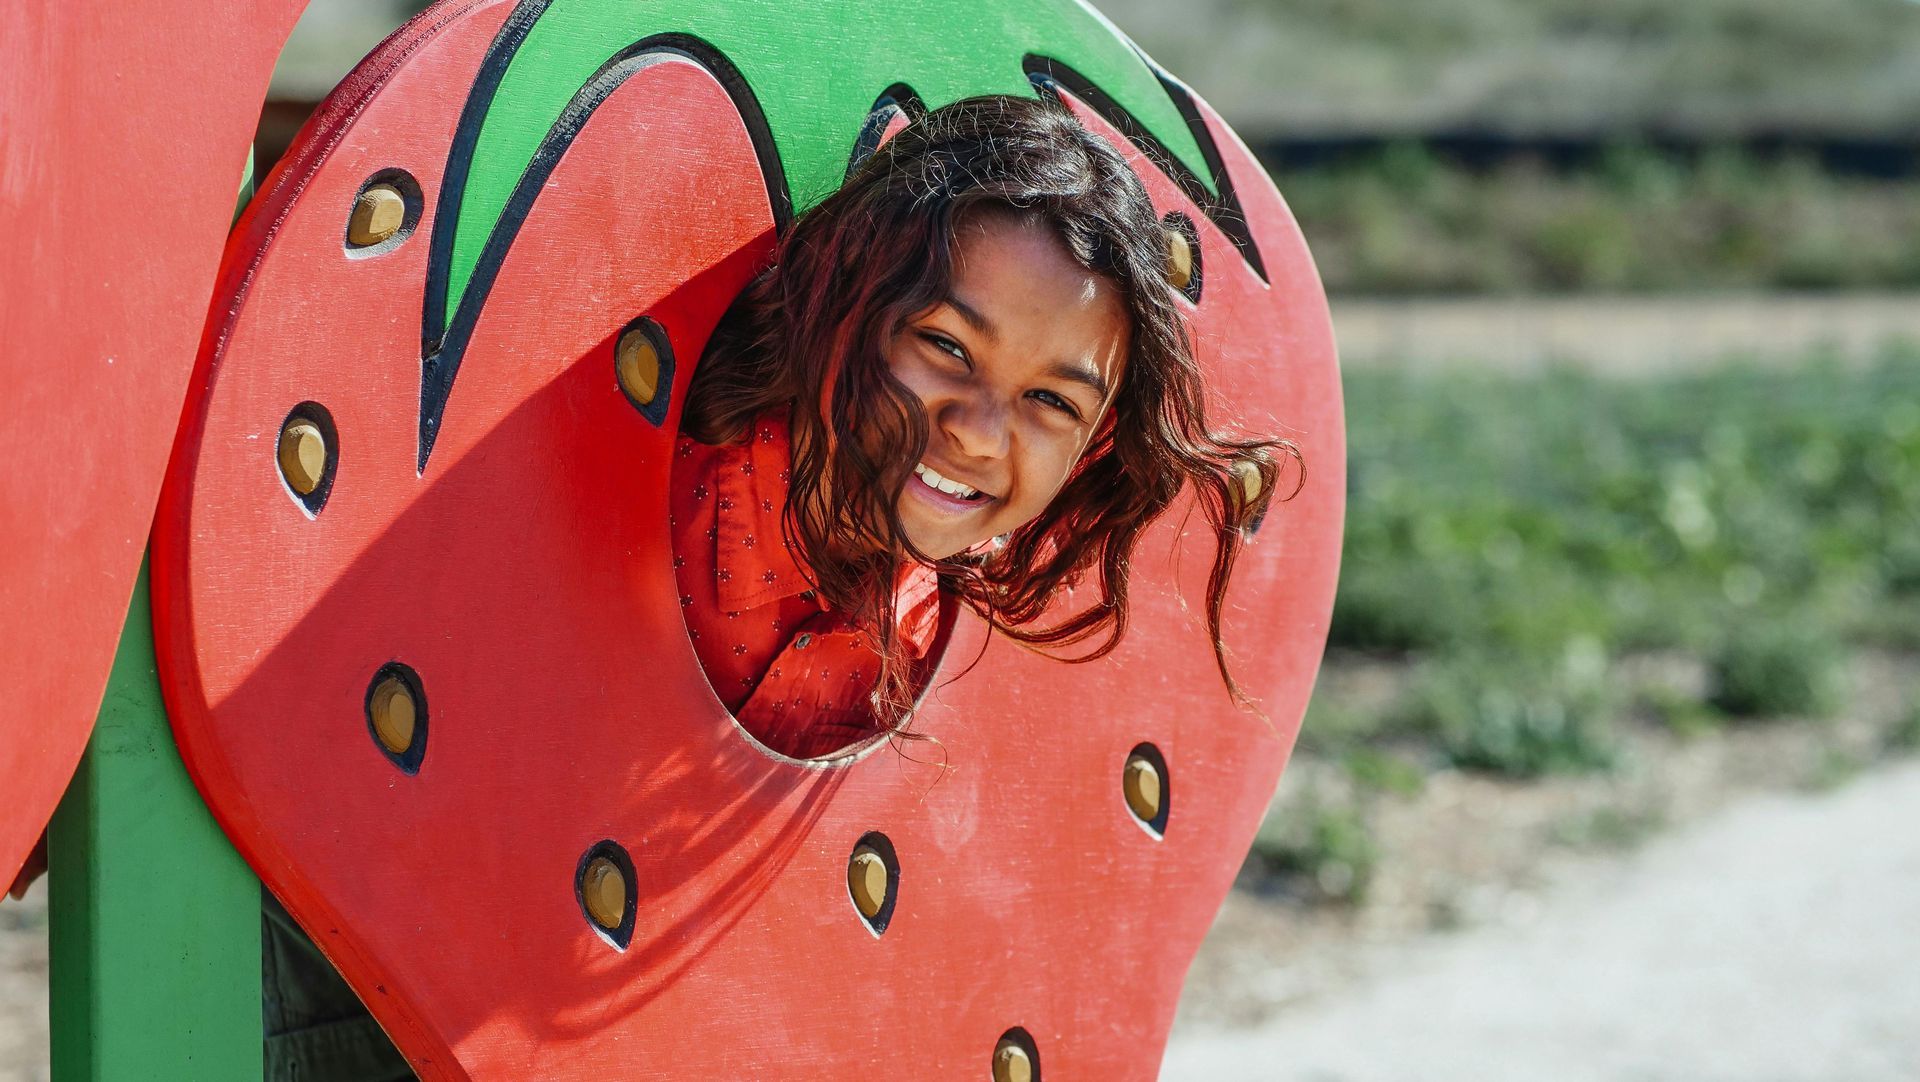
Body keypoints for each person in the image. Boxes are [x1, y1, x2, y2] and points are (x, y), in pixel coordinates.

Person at [5, 92, 1293, 1078]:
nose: (975, 425)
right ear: (841, 303)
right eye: (942, 346)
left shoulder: (929, 610)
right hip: (392, 913)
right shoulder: (691, 478)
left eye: (1050, 401)